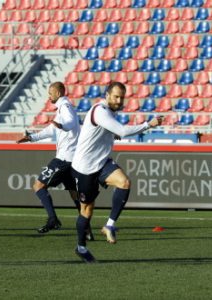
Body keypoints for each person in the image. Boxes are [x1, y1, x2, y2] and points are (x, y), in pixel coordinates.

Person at [69, 82, 163, 263]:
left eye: (122, 97)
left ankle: (109, 225)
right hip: (85, 168)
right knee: (87, 211)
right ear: (107, 95)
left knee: (124, 182)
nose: (119, 100)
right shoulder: (100, 110)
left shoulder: (110, 112)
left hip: (102, 162)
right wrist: (148, 124)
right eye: (116, 97)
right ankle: (81, 247)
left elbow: (108, 130)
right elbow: (122, 130)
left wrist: (111, 134)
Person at [17, 82, 93, 240]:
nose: (49, 96)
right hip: (73, 160)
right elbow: (51, 130)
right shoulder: (62, 109)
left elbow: (71, 123)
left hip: (64, 159)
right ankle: (86, 230)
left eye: (50, 93)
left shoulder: (65, 106)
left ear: (58, 94)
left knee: (38, 186)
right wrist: (32, 137)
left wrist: (63, 126)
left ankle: (53, 219)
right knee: (75, 195)